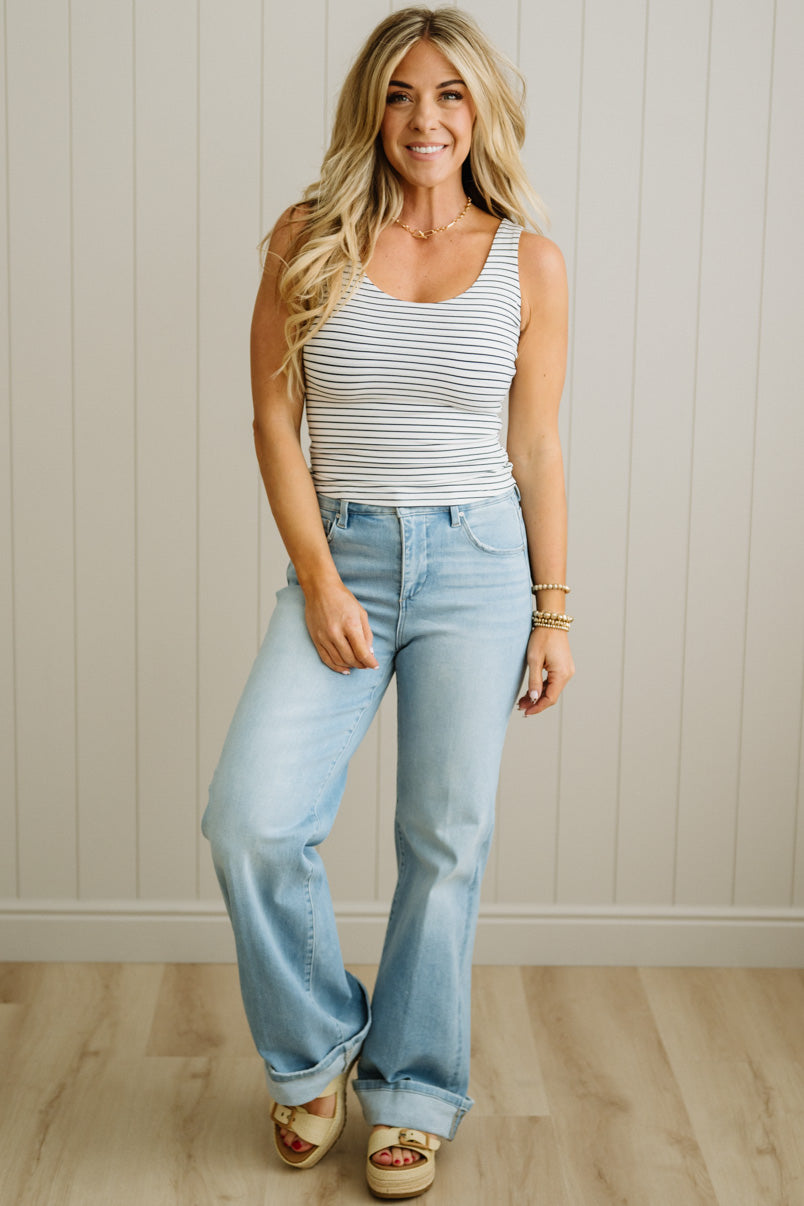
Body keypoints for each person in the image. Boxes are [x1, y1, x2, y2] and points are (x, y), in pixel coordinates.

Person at [202, 5, 573, 1198]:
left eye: (451, 94)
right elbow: (274, 420)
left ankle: (413, 1088)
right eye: (402, 93)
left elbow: (538, 449)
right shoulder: (306, 236)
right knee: (252, 820)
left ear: (480, 112)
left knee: (442, 843)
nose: (426, 118)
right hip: (346, 550)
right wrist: (318, 574)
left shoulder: (530, 260)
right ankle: (314, 1055)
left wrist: (554, 612)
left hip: (478, 568)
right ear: (373, 107)